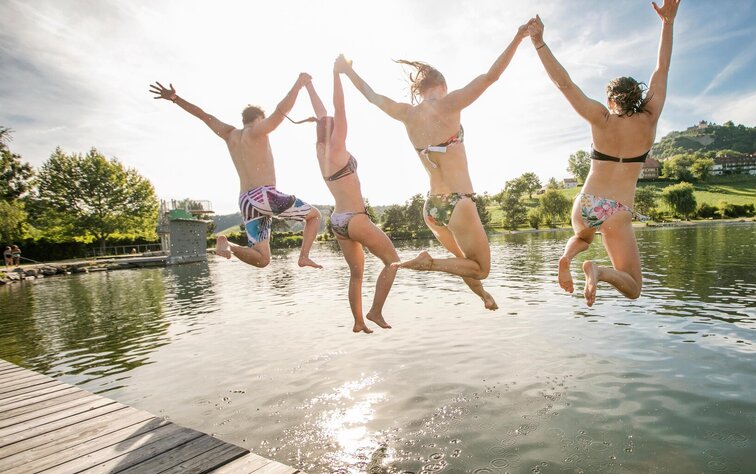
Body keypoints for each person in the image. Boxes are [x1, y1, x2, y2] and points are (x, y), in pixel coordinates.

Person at [337, 22, 533, 310]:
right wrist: (519, 36)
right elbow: (492, 76)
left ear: (420, 90)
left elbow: (371, 96)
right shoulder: (450, 103)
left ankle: (483, 296)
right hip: (459, 203)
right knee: (481, 269)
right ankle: (428, 263)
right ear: (442, 86)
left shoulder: (406, 113)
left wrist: (347, 69)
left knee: (462, 263)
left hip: (432, 209)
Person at [527, 1, 680, 306]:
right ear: (639, 97)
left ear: (611, 101)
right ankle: (598, 271)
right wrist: (667, 23)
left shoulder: (602, 118)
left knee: (583, 237)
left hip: (586, 203)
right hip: (618, 211)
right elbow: (661, 68)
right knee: (634, 287)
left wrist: (539, 43)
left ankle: (568, 256)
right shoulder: (649, 119)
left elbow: (564, 84)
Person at [149, 74, 322, 269]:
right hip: (264, 195)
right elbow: (281, 111)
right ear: (259, 119)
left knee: (262, 259)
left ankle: (228, 244)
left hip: (246, 200)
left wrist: (175, 99)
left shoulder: (229, 134)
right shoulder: (257, 131)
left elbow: (204, 115)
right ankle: (304, 256)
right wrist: (298, 84)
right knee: (314, 216)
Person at [291, 57, 401, 333]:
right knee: (392, 261)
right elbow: (338, 108)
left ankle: (358, 321)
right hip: (355, 218)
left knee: (356, 274)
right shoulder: (338, 146)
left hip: (338, 220)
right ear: (334, 131)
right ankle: (375, 311)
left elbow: (323, 113)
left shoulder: (320, 150)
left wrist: (308, 87)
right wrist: (337, 74)